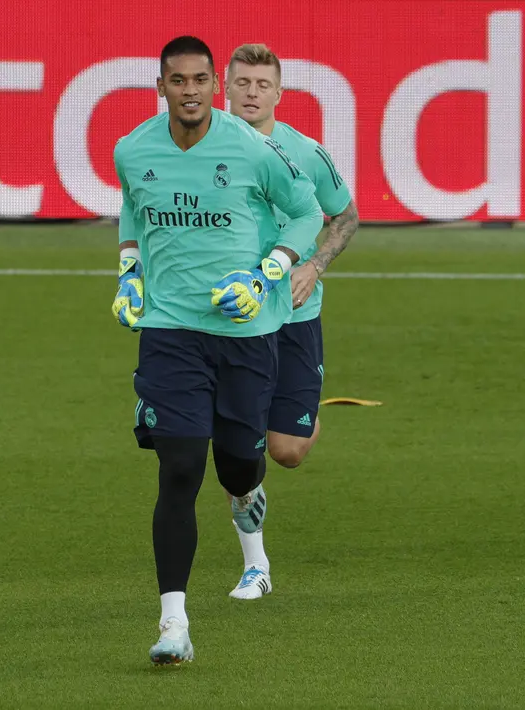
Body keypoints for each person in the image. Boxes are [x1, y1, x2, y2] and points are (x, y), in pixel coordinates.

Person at [111, 35, 323, 664]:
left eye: (202, 79)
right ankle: (173, 622)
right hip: (170, 333)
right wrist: (129, 269)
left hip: (245, 337)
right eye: (179, 81)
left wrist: (268, 272)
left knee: (237, 464)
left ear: (214, 84)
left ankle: (247, 498)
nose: (192, 91)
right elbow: (134, 212)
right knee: (178, 468)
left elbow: (306, 214)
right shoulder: (133, 149)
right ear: (162, 87)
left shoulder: (252, 148)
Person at [221, 42, 360, 600]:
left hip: (297, 313)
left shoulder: (307, 153)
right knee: (240, 445)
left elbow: (345, 215)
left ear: (279, 93)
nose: (252, 94)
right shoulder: (207, 150)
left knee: (288, 451)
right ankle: (256, 564)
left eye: (262, 85)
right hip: (232, 317)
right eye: (243, 84)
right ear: (225, 88)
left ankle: (299, 411)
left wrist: (315, 264)